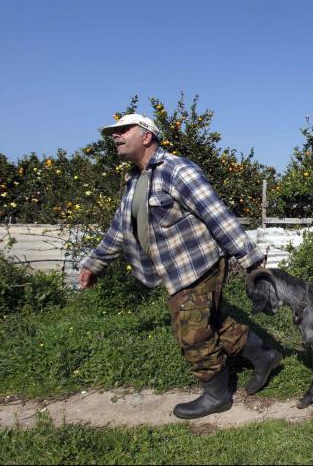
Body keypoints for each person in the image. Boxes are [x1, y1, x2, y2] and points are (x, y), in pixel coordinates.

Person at [78, 113, 281, 419]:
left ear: (147, 136)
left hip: (198, 264)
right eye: (114, 132)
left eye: (123, 130)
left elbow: (217, 215)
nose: (116, 136)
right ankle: (265, 355)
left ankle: (217, 395)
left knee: (191, 331)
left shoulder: (177, 170)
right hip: (172, 269)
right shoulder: (134, 180)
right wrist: (94, 264)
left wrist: (251, 259)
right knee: (212, 320)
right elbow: (119, 230)